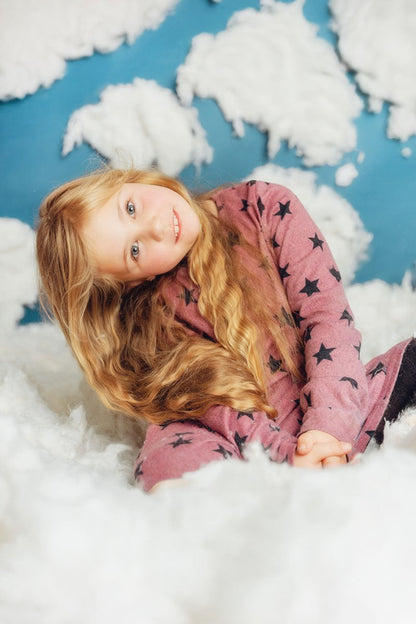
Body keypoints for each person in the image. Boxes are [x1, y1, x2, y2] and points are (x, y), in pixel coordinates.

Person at [36, 168, 415, 492]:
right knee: (167, 459)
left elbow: (329, 321)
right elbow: (217, 409)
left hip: (338, 402)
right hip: (244, 440)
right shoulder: (149, 320)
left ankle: (334, 456)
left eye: (130, 208)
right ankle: (264, 508)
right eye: (134, 251)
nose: (153, 226)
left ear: (130, 181)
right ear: (136, 281)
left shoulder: (264, 207)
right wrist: (286, 455)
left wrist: (328, 430)